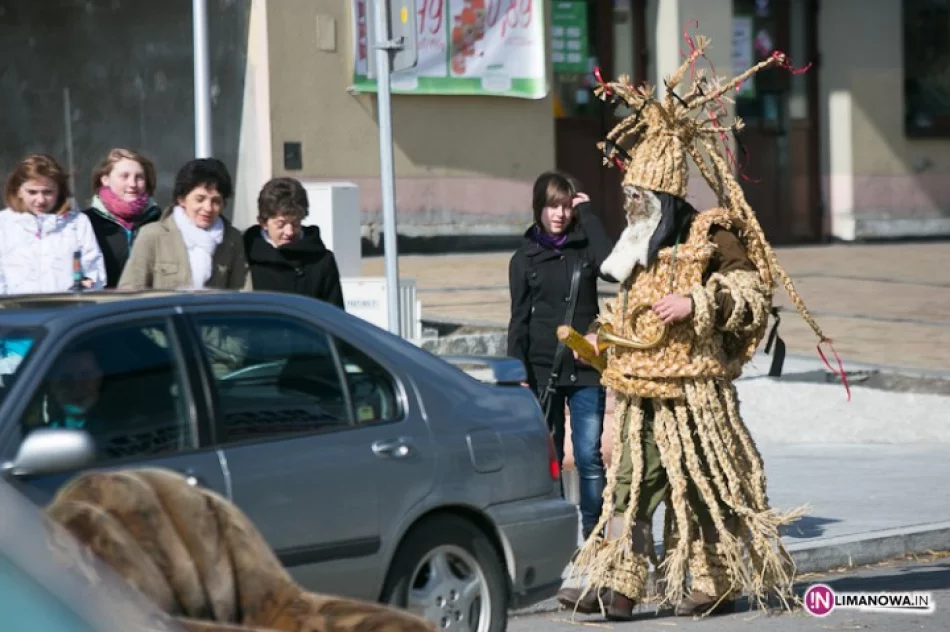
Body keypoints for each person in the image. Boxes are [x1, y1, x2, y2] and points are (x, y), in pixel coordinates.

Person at [557, 38, 832, 620]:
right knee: (630, 483)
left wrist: (697, 300)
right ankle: (619, 583)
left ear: (666, 198)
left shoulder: (711, 233)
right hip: (638, 390)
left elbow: (751, 291)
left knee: (704, 486)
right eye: (628, 198)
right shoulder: (638, 244)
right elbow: (626, 306)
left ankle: (711, 580)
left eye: (643, 200)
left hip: (694, 392)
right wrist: (605, 339)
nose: (634, 209)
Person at [506, 171, 613, 541]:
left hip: (585, 367)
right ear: (539, 208)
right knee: (548, 458)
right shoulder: (523, 259)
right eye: (553, 206)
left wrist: (592, 216)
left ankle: (595, 533)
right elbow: (518, 319)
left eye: (567, 206)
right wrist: (516, 370)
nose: (560, 214)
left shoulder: (584, 247)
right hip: (541, 370)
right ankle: (556, 535)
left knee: (588, 456)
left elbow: (610, 269)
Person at [118, 158, 250, 291]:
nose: (208, 208)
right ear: (181, 199)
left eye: (216, 201)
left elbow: (242, 294)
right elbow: (130, 292)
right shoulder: (153, 235)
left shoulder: (231, 239)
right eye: (200, 199)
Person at [0, 153, 105, 294]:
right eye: (32, 192)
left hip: (66, 309)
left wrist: (87, 285)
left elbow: (94, 269)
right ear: (18, 191)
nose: (40, 200)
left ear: (59, 191)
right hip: (18, 311)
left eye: (47, 192)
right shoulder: (4, 223)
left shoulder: (77, 222)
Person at [243, 177, 345, 308]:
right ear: (263, 222)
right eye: (281, 224)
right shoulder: (246, 257)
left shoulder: (321, 260)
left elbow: (334, 315)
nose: (289, 232)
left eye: (296, 223)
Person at [84, 148, 162, 288]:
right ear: (105, 179)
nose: (132, 184)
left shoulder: (159, 220)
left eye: (139, 177)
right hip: (104, 306)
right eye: (124, 176)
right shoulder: (86, 222)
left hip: (150, 306)